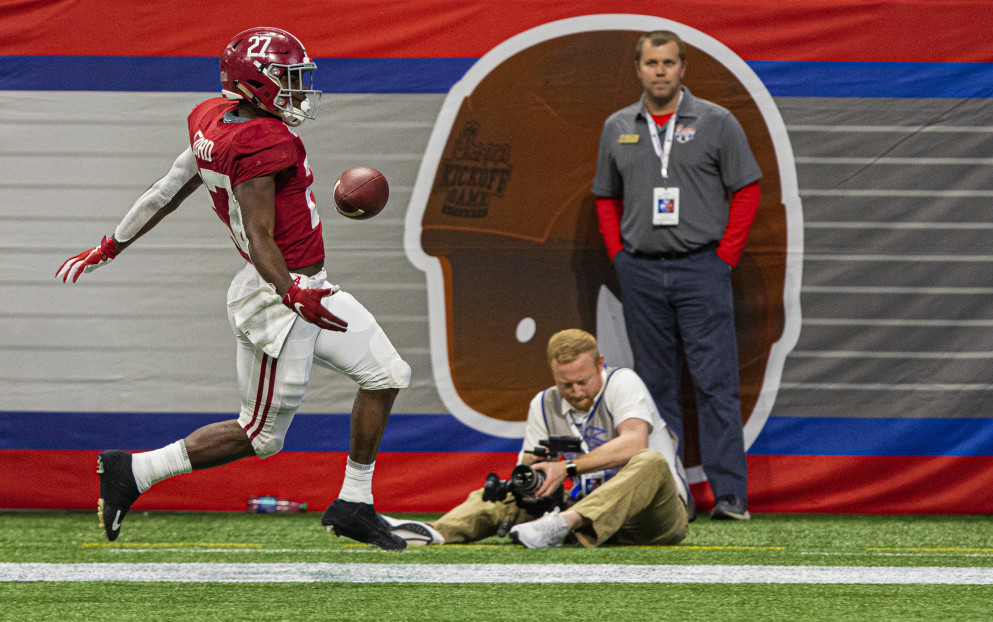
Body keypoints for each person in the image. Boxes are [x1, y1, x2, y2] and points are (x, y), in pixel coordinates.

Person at [55, 27, 412, 550]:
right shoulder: (263, 141)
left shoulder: (213, 120)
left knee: (386, 374)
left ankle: (354, 502)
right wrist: (291, 293)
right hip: (277, 299)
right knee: (261, 436)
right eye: (286, 80)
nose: (296, 92)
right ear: (254, 82)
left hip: (304, 287)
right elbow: (262, 237)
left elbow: (169, 186)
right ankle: (131, 471)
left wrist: (111, 244)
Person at [591, 30, 761, 520]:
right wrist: (619, 255)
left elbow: (746, 190)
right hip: (641, 272)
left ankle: (730, 496)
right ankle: (670, 496)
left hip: (702, 269)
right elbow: (606, 197)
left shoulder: (716, 122)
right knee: (655, 389)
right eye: (651, 62)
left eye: (668, 62)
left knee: (715, 385)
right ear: (638, 69)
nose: (660, 71)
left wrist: (724, 257)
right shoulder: (617, 126)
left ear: (684, 68)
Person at [384, 329, 689, 548]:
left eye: (583, 381)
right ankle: (432, 532)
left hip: (653, 517)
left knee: (650, 461)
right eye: (566, 385)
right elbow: (528, 477)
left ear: (600, 364)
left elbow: (635, 442)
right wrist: (535, 472)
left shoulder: (623, 382)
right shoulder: (543, 405)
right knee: (507, 492)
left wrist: (566, 469)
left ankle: (562, 525)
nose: (577, 392)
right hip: (583, 510)